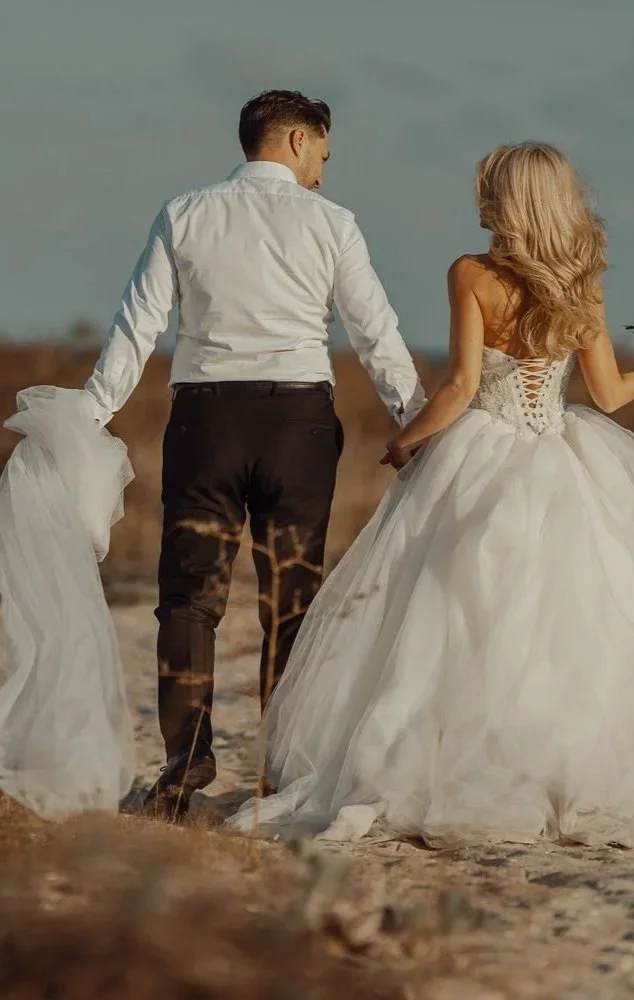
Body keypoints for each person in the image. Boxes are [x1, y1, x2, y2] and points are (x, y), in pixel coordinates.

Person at [228, 143, 634, 847]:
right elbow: (612, 398)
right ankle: (571, 761)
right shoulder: (580, 285)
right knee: (580, 623)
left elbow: (463, 386)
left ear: (509, 201)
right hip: (566, 460)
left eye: (488, 189)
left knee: (454, 618)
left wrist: (407, 443)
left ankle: (460, 761)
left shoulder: (471, 274)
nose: (479, 201)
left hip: (483, 455)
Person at [81, 90, 425, 819]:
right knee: (289, 601)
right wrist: (416, 420)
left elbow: (135, 326)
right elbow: (376, 332)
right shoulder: (332, 224)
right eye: (323, 156)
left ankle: (185, 758)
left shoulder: (184, 213)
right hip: (297, 427)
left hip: (206, 424)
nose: (324, 176)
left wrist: (90, 415)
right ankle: (282, 770)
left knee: (189, 598)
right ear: (298, 139)